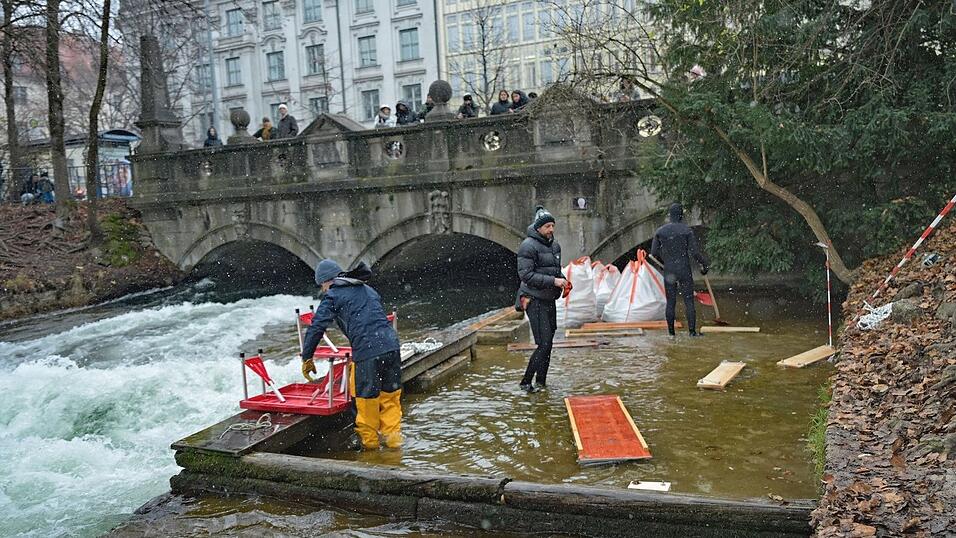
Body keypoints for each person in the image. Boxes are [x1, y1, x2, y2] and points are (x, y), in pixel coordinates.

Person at [301, 259, 403, 450]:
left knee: (366, 402)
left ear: (327, 281)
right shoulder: (367, 289)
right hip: (392, 347)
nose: (323, 289)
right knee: (390, 399)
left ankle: (370, 452)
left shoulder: (333, 296)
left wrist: (307, 356)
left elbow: (316, 326)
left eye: (322, 285)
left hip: (366, 353)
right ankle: (394, 445)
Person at [515, 206, 567, 393]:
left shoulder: (555, 246)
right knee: (543, 343)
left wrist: (563, 281)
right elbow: (526, 275)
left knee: (549, 343)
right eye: (547, 226)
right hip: (533, 299)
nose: (551, 229)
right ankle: (525, 382)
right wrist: (554, 281)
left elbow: (554, 270)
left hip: (548, 299)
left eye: (552, 225)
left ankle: (541, 382)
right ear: (538, 228)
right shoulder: (528, 246)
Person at [650, 203, 709, 337]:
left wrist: (664, 264)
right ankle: (692, 332)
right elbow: (694, 253)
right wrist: (704, 265)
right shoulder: (687, 230)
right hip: (684, 269)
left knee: (670, 302)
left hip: (669, 270)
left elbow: (654, 252)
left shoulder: (660, 231)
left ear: (670, 215)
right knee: (689, 301)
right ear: (681, 215)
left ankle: (671, 333)